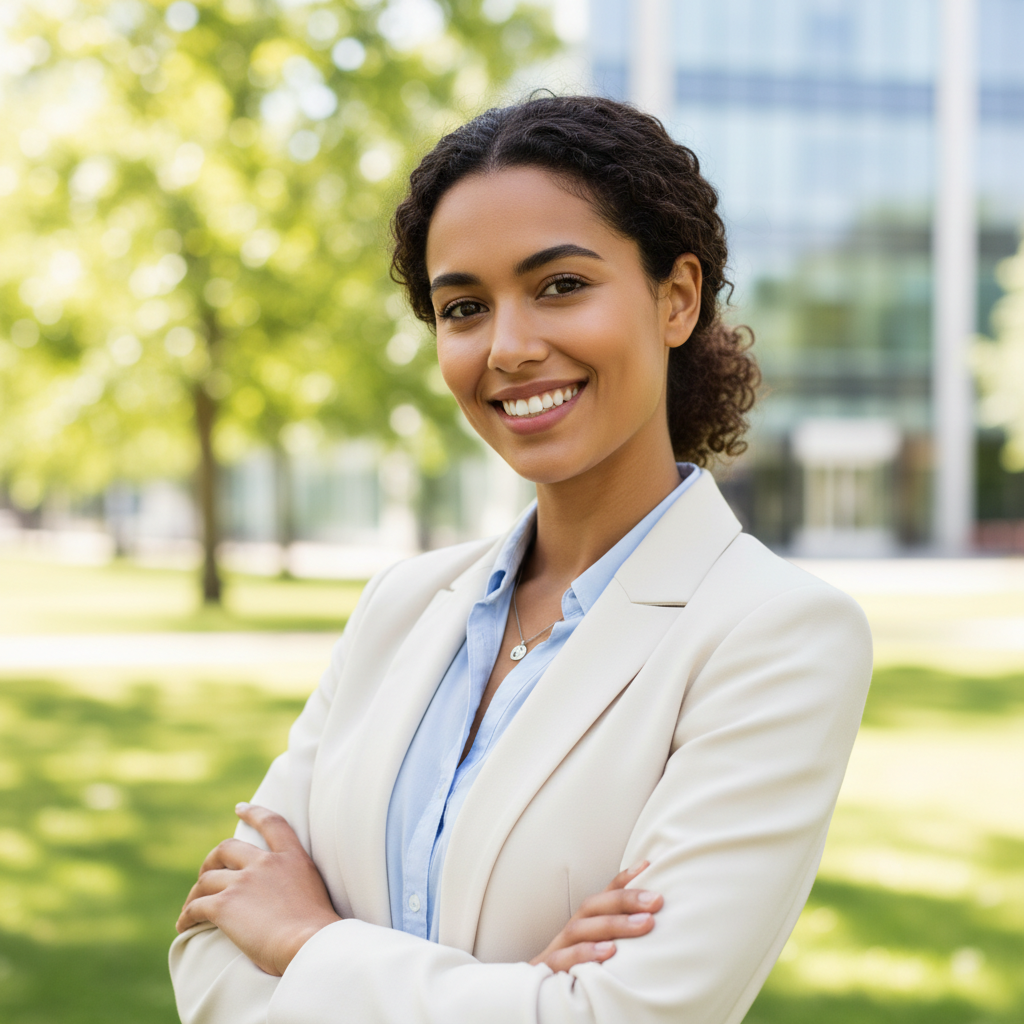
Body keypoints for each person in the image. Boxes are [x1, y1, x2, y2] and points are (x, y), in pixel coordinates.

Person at [170, 95, 872, 1024]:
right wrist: (517, 992)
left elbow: (620, 1016)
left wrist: (307, 942)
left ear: (677, 297)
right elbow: (213, 948)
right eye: (464, 307)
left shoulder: (776, 636)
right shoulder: (402, 604)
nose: (508, 347)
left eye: (560, 286)